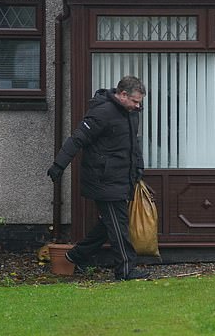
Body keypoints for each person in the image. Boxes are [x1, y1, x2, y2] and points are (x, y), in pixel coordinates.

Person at [47, 75, 150, 281]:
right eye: (135, 101)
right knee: (119, 226)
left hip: (122, 178)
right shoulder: (102, 112)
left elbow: (133, 145)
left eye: (140, 102)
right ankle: (125, 269)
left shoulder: (131, 113)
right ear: (122, 95)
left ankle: (76, 255)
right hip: (104, 179)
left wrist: (138, 167)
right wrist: (59, 165)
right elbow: (77, 139)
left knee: (109, 224)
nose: (138, 106)